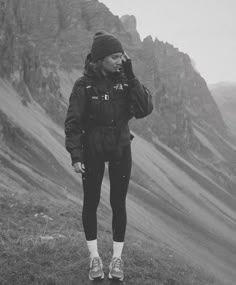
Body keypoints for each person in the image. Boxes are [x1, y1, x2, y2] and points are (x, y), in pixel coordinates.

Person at [64, 31, 153, 281]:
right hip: (92, 150)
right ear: (100, 58)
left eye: (121, 56)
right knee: (90, 203)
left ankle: (116, 259)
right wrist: (76, 155)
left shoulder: (125, 82)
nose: (119, 61)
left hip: (120, 149)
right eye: (114, 57)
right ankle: (94, 258)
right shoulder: (84, 86)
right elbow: (73, 123)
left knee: (118, 203)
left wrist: (133, 76)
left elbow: (144, 109)